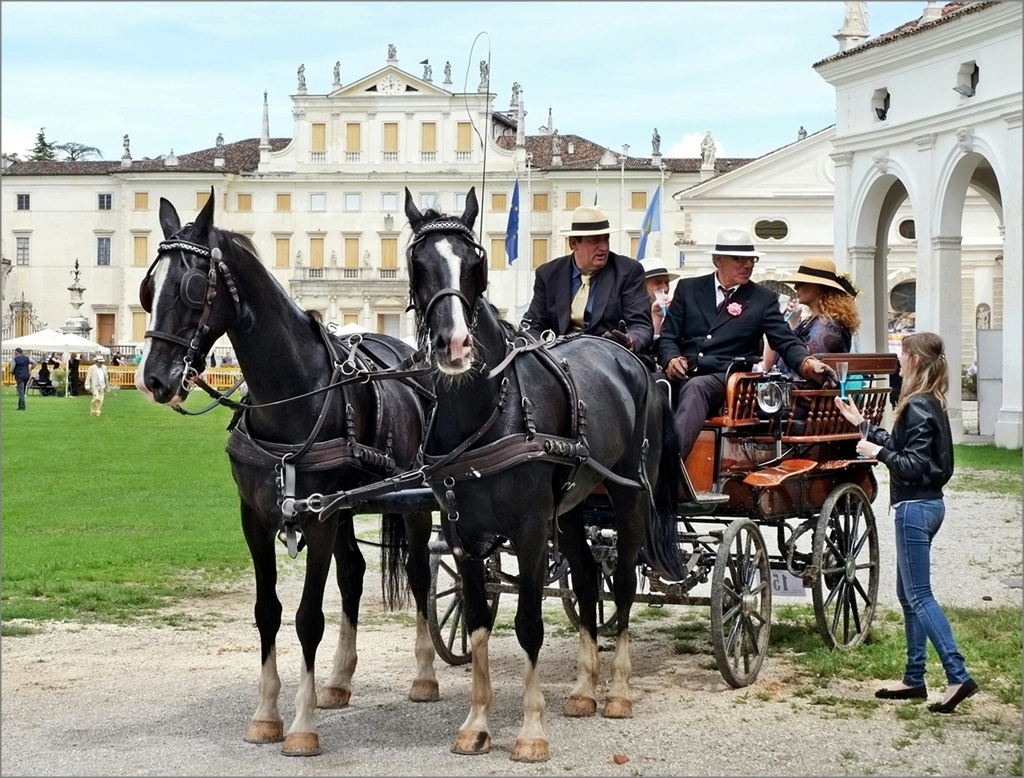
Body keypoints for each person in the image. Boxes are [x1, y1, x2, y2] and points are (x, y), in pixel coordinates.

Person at [834, 332, 976, 714]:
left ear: (914, 360)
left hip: (915, 507)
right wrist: (863, 425)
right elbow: (913, 453)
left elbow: (910, 464)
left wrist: (875, 451)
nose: (898, 360)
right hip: (928, 506)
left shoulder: (916, 406)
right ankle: (914, 678)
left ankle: (957, 674)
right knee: (908, 595)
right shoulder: (931, 403)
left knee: (919, 595)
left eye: (902, 354)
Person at [657, 227, 830, 462]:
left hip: (727, 379)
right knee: (644, 382)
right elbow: (668, 337)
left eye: (752, 259)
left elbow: (785, 341)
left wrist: (808, 364)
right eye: (740, 259)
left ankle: (668, 464)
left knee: (697, 387)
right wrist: (670, 359)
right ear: (718, 260)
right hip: (682, 372)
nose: (748, 265)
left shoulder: (762, 299)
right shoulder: (688, 289)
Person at [520, 205, 653, 354]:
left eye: (606, 239)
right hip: (562, 360)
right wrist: (540, 354)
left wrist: (630, 341)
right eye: (595, 240)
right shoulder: (548, 274)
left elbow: (641, 326)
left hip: (612, 359)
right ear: (573, 243)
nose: (603, 247)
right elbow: (532, 325)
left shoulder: (628, 271)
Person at [762, 257, 860, 375]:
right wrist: (785, 323)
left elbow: (806, 372)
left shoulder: (824, 328)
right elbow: (769, 364)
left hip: (802, 392)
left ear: (819, 287)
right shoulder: (812, 322)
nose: (796, 287)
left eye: (801, 283)